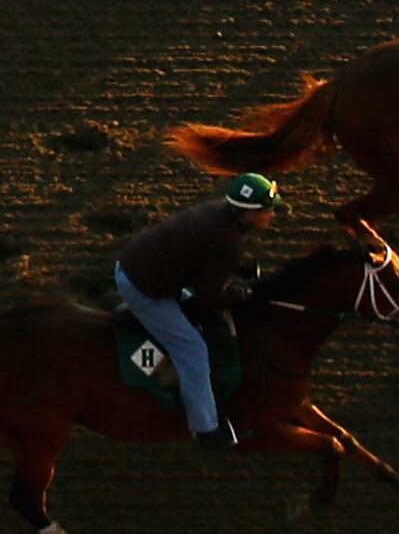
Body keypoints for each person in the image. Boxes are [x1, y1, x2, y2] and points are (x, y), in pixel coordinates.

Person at [112, 173, 281, 446]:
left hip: (139, 266)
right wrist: (241, 294)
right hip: (144, 290)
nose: (272, 214)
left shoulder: (219, 212)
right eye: (266, 210)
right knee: (193, 349)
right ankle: (206, 429)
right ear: (247, 214)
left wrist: (236, 269)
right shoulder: (227, 238)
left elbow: (202, 253)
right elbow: (208, 297)